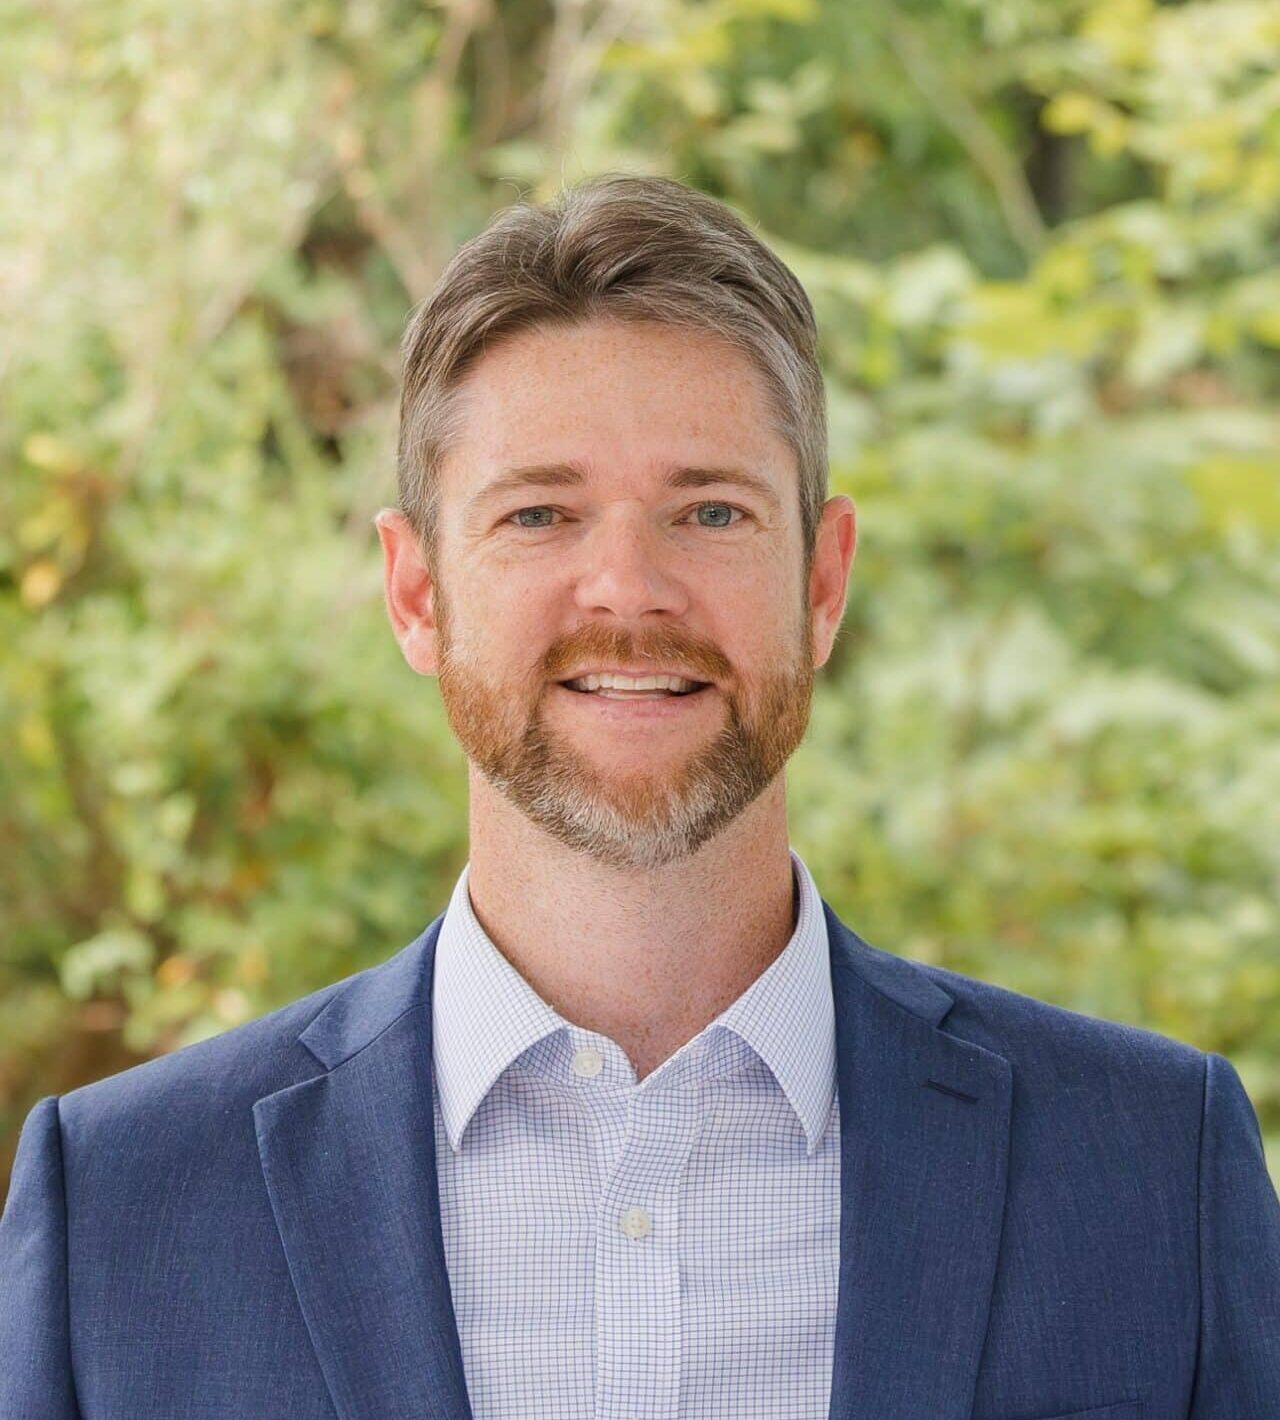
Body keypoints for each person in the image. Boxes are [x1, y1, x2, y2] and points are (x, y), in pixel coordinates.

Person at [2, 173, 1277, 1420]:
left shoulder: (1154, 1170)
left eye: (710, 512)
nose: (627, 589)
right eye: (540, 513)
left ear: (822, 583)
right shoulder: (121, 1204)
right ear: (415, 594)